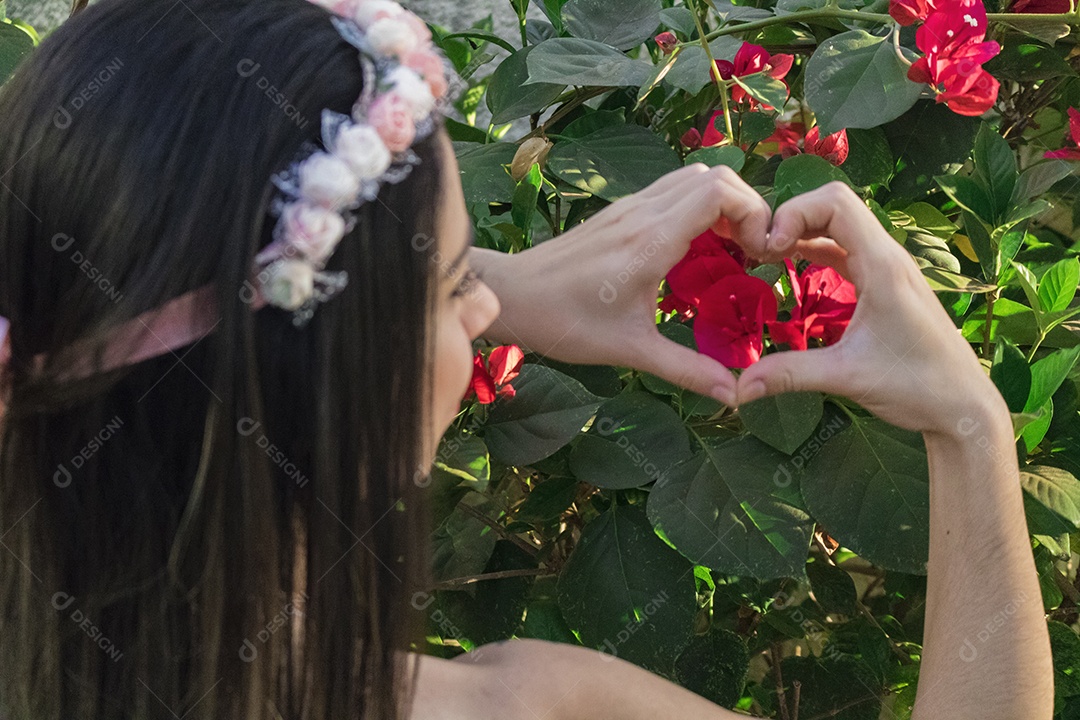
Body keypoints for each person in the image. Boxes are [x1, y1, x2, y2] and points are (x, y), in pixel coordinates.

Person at [0, 0, 1052, 718]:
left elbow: (169, 311)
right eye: (462, 285)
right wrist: (969, 428)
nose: (496, 301)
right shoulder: (521, 703)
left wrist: (431, 284)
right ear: (340, 377)